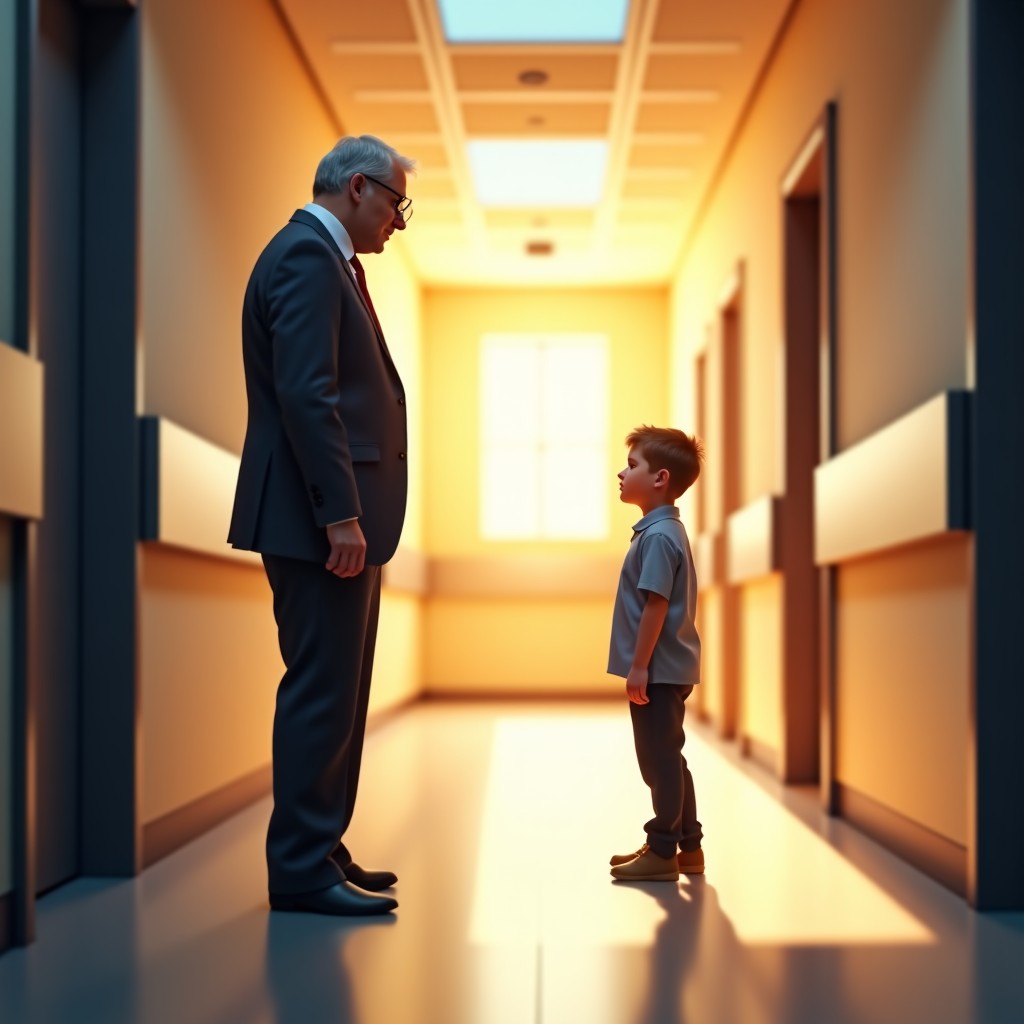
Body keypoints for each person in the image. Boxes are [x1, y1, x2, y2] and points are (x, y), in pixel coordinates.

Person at [227, 135, 415, 916]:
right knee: (319, 691)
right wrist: (340, 512)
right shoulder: (306, 257)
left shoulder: (328, 260)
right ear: (361, 187)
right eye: (397, 205)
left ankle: (322, 846)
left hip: (333, 518)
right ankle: (302, 868)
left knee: (341, 692)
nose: (399, 224)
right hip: (317, 520)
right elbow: (310, 395)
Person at [607, 425, 706, 882]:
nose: (622, 474)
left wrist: (639, 666)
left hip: (659, 669)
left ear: (661, 478)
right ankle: (688, 847)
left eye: (632, 466)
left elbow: (656, 604)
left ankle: (663, 850)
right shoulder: (661, 531)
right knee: (672, 756)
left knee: (658, 760)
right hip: (668, 667)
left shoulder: (660, 537)